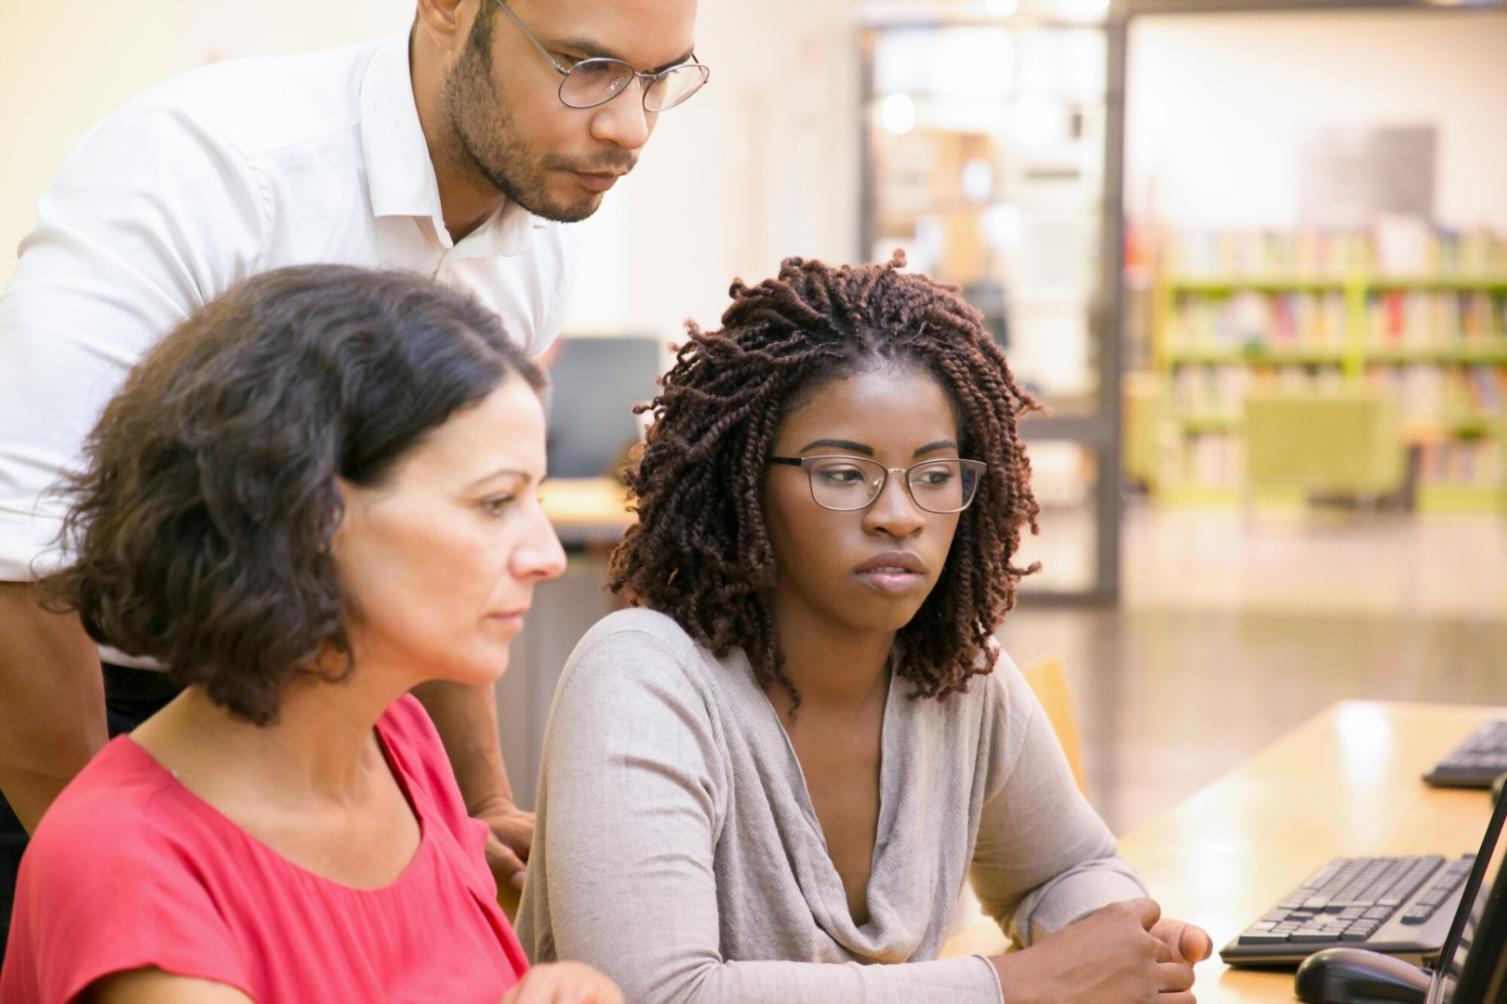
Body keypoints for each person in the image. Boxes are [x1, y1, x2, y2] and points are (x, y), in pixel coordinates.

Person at [0, 0, 707, 949]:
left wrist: (478, 806)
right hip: (79, 709)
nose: (629, 127)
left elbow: (447, 552)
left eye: (660, 80)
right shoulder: (210, 166)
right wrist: (113, 870)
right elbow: (16, 554)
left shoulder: (539, 228)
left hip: (329, 716)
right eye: (586, 67)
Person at [517, 254, 1213, 1003]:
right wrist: (1018, 987)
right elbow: (655, 994)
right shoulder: (641, 679)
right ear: (742, 481)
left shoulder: (953, 675)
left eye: (935, 475)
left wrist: (1118, 937)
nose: (900, 516)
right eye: (844, 475)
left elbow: (1066, 868)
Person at [0, 265, 622, 1004]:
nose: (548, 555)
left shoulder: (400, 743)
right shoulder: (128, 864)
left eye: (534, 498)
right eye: (495, 502)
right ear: (310, 515)